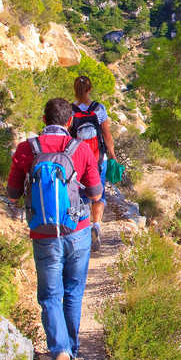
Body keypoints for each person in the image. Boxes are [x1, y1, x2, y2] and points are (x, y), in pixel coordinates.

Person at [6, 97, 102, 360]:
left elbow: (11, 194)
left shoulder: (27, 149)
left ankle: (59, 348)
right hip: (77, 231)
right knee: (73, 291)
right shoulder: (80, 149)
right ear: (69, 121)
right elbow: (96, 193)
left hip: (44, 234)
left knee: (50, 295)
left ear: (43, 119)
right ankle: (70, 350)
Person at [70, 75, 116, 250]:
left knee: (80, 195)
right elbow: (106, 134)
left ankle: (81, 230)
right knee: (99, 194)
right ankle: (96, 225)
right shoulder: (99, 109)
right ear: (90, 89)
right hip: (98, 158)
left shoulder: (70, 110)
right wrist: (112, 154)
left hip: (77, 160)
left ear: (75, 90)